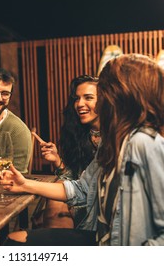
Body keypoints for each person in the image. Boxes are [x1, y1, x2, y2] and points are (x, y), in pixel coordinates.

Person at [1, 54, 164, 245]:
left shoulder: (148, 146)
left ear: (122, 96)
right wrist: (25, 184)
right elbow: (81, 189)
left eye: (104, 91)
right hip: (100, 239)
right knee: (14, 240)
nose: (98, 101)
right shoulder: (112, 142)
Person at [33, 75, 99, 229]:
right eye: (77, 98)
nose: (80, 104)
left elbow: (85, 187)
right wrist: (57, 160)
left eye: (88, 97)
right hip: (78, 197)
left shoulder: (114, 138)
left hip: (97, 209)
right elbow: (75, 178)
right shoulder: (79, 134)